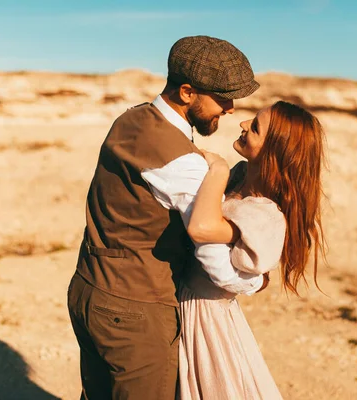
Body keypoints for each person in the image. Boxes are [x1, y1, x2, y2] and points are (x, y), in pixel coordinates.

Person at [67, 35, 264, 400]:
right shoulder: (182, 162)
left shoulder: (133, 119)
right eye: (222, 97)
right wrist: (255, 280)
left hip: (88, 290)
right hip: (134, 310)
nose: (232, 108)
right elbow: (211, 254)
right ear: (187, 92)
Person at [177, 101, 326, 399]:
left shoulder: (263, 214)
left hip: (205, 315)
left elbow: (202, 228)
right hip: (188, 297)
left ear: (274, 152)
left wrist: (216, 170)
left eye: (255, 127)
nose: (244, 123)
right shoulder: (240, 177)